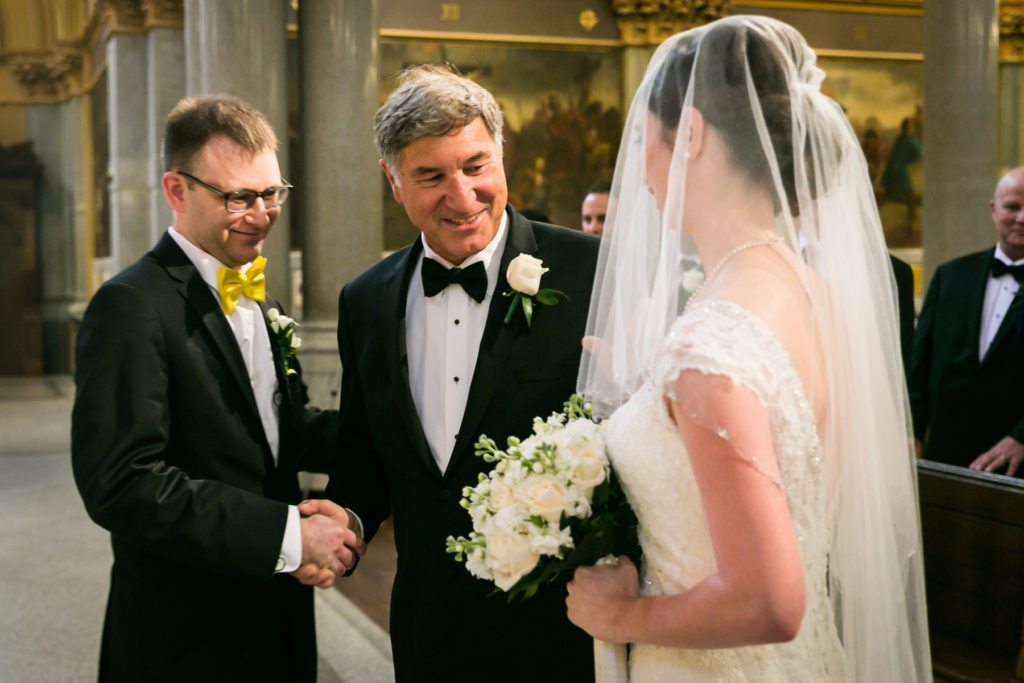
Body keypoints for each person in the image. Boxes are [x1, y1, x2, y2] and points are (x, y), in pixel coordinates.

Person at [567, 16, 931, 681]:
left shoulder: (712, 341)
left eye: (647, 135)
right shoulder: (809, 291)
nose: (641, 164)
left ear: (694, 135)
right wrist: (651, 393)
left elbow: (766, 599)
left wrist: (617, 617)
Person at [314, 64, 600, 681]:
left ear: (502, 156)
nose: (462, 196)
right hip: (428, 626)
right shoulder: (363, 300)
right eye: (431, 176)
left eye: (475, 166)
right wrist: (348, 518)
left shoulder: (590, 272)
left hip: (563, 628)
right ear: (393, 181)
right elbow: (364, 446)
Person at [71, 95, 363, 683]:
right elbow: (122, 484)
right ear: (176, 190)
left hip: (275, 614)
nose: (260, 215)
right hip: (185, 630)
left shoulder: (261, 298)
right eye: (238, 197)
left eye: (271, 193)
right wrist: (286, 536)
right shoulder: (131, 306)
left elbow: (284, 429)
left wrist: (391, 422)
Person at [909, 167, 1024, 477]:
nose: (1021, 218)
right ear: (993, 209)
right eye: (1012, 206)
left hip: (1016, 465)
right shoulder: (950, 276)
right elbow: (919, 367)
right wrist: (914, 431)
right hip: (944, 456)